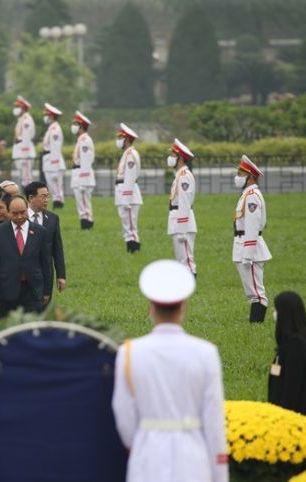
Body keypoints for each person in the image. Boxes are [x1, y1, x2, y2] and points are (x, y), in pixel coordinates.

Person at [112, 259, 228, 482]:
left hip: (147, 457)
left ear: (150, 308)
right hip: (193, 459)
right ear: (184, 307)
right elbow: (214, 420)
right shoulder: (206, 353)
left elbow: (124, 415)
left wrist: (142, 440)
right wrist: (220, 475)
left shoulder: (129, 352)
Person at [0, 196, 53, 318]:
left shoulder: (40, 232)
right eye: (15, 213)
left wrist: (47, 291)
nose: (19, 217)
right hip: (7, 289)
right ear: (8, 211)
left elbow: (46, 263)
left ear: (27, 209)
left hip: (32, 289)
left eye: (22, 212)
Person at [268, 291, 306, 423]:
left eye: (276, 309)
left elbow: (292, 388)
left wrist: (283, 418)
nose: (273, 313)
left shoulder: (297, 346)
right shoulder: (289, 344)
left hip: (297, 423)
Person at [232, 156, 271, 323]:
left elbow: (253, 227)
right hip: (242, 244)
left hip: (250, 248)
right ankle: (255, 321)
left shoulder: (252, 196)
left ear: (251, 177)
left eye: (241, 173)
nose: (237, 176)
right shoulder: (247, 194)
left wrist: (248, 254)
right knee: (251, 289)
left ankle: (257, 323)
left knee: (256, 291)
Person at [25, 181, 66, 303]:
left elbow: (57, 248)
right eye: (43, 196)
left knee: (44, 306)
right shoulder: (20, 216)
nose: (46, 200)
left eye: (47, 196)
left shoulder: (53, 218)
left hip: (45, 273)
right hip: (23, 273)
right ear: (31, 198)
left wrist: (61, 275)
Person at [167, 139, 197, 276]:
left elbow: (184, 203)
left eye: (173, 155)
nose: (170, 157)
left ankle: (191, 281)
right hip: (177, 219)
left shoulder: (184, 176)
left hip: (182, 222)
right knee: (181, 259)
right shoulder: (179, 175)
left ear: (180, 158)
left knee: (186, 259)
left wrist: (182, 229)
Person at [115, 123, 143, 253]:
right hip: (123, 192)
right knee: (126, 223)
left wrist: (126, 198)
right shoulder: (127, 153)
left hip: (129, 194)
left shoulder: (131, 154)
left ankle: (134, 249)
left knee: (131, 224)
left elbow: (130, 177)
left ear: (126, 140)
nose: (118, 140)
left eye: (121, 138)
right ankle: (130, 247)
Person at [70, 111, 95, 230]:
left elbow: (86, 160)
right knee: (80, 201)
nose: (73, 127)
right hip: (78, 173)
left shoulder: (85, 140)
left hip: (82, 174)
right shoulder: (81, 139)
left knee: (84, 201)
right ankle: (85, 222)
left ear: (81, 127)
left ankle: (87, 224)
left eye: (76, 124)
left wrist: (84, 179)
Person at [41, 103, 66, 209]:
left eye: (47, 115)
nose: (45, 117)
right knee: (52, 184)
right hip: (48, 159)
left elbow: (55, 147)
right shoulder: (51, 128)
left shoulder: (55, 129)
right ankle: (57, 202)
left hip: (53, 160)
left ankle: (58, 203)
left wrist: (55, 165)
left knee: (55, 184)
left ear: (51, 116)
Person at [11, 96, 35, 186]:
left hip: (25, 151)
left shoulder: (26, 120)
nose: (16, 109)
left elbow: (26, 137)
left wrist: (25, 152)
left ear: (23, 108)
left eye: (18, 107)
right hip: (20, 150)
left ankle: (30, 197)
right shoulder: (21, 119)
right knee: (23, 177)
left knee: (27, 178)